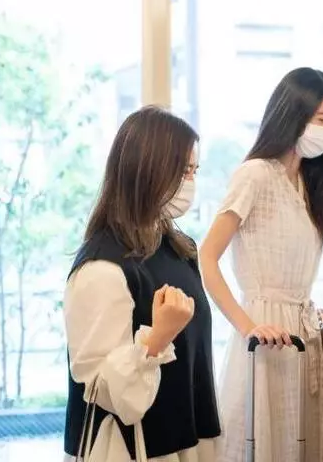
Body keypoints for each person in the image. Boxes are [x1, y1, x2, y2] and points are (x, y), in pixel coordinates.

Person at [199, 67, 323, 462]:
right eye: (321, 119)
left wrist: (306, 306)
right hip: (263, 336)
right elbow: (207, 257)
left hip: (299, 331)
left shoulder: (309, 186)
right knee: (258, 445)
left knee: (294, 446)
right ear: (293, 115)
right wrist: (248, 326)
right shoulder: (255, 175)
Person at [63, 106, 221, 461]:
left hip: (188, 437)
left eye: (194, 171)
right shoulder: (102, 268)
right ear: (148, 170)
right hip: (135, 447)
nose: (191, 183)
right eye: (183, 171)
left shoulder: (180, 249)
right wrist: (156, 338)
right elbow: (101, 389)